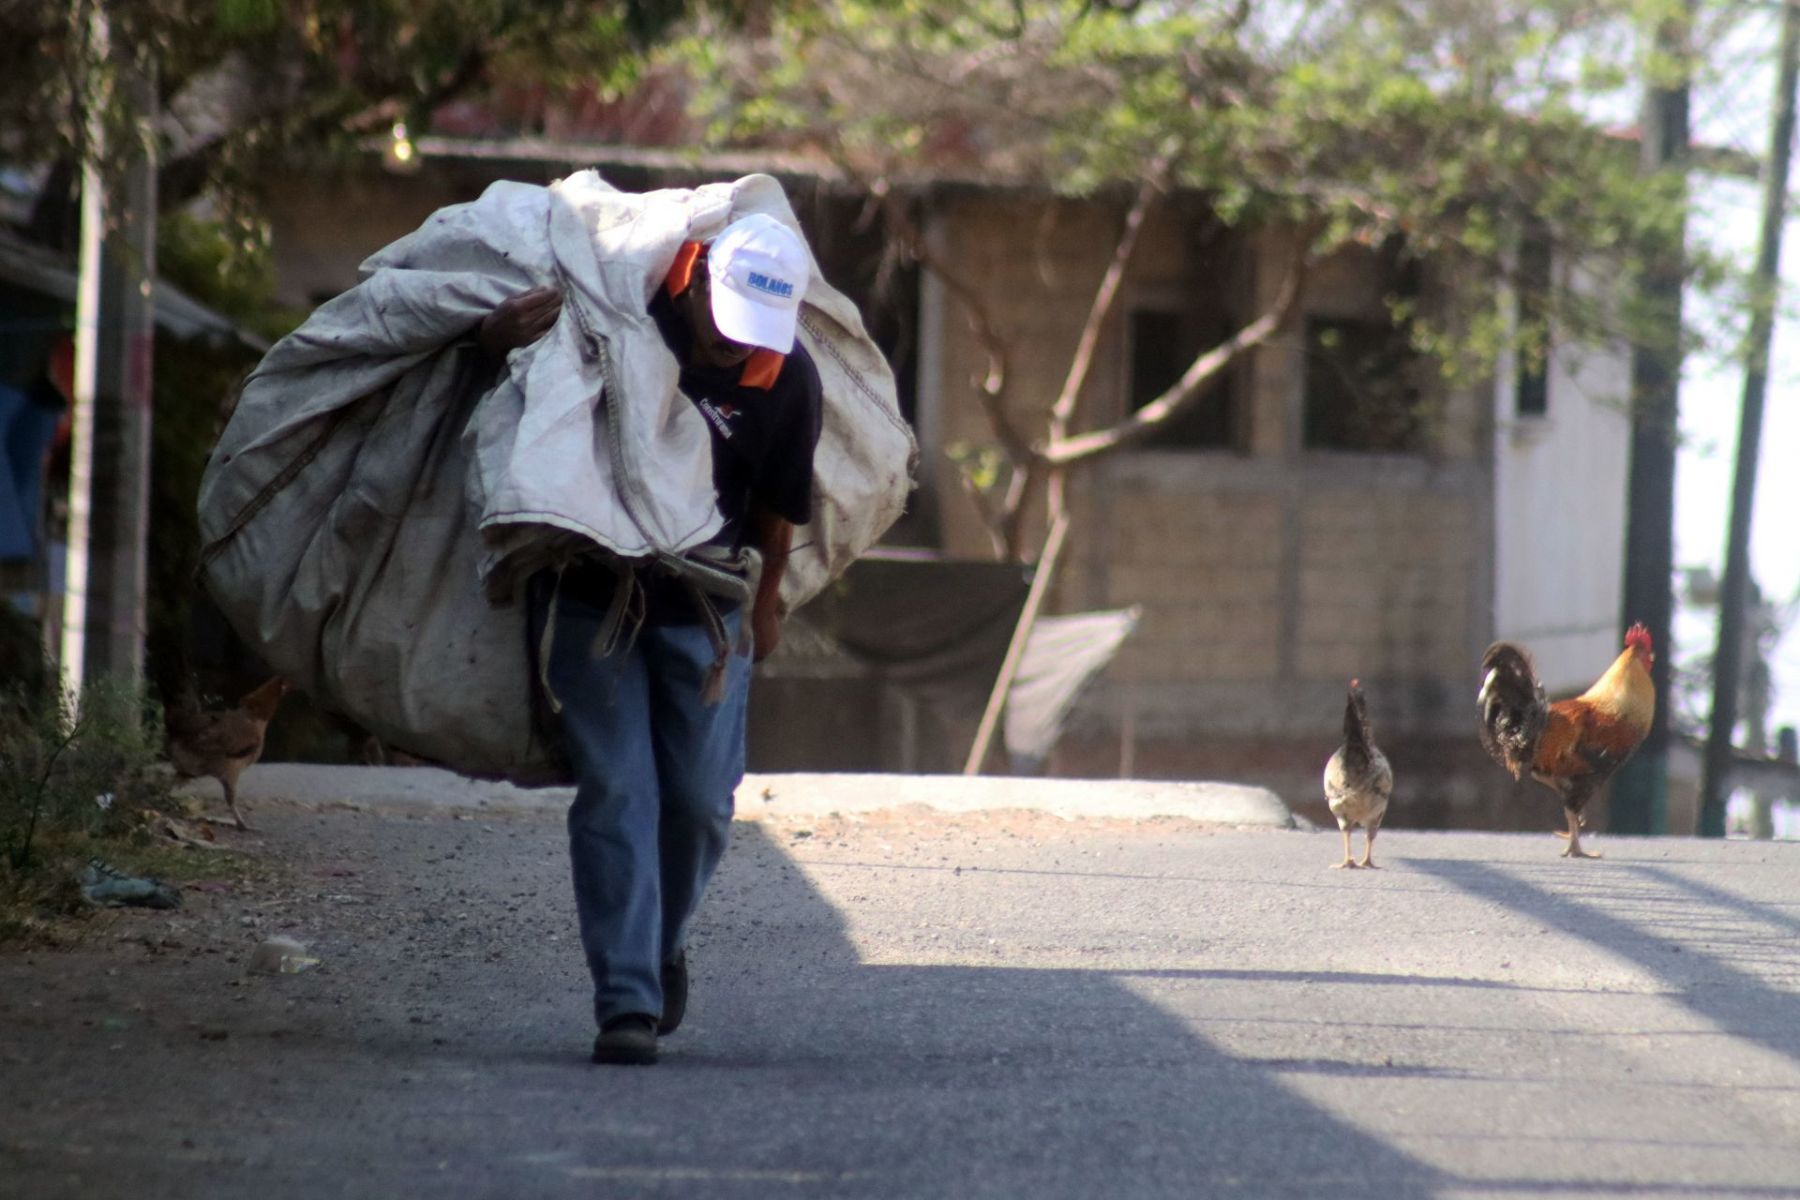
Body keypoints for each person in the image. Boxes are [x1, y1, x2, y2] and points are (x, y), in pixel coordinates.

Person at [479, 212, 823, 1065]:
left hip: (706, 610)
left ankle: (662, 944)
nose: (734, 346)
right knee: (619, 793)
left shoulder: (786, 377)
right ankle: (626, 1000)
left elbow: (778, 509)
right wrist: (491, 338)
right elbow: (524, 393)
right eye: (725, 322)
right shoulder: (620, 316)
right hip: (597, 601)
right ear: (698, 279)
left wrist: (767, 606)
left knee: (703, 803)